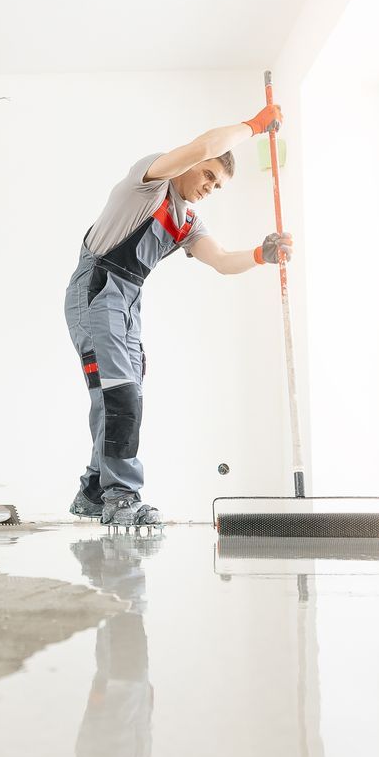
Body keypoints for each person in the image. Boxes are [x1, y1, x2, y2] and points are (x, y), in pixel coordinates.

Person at [63, 104, 294, 527]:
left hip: (128, 301)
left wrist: (263, 255)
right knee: (121, 395)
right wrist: (255, 126)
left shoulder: (187, 222)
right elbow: (206, 144)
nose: (210, 186)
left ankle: (93, 491)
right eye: (208, 175)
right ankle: (122, 498)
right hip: (97, 289)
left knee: (114, 395)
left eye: (218, 185)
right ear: (192, 161)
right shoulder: (149, 181)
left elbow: (222, 261)